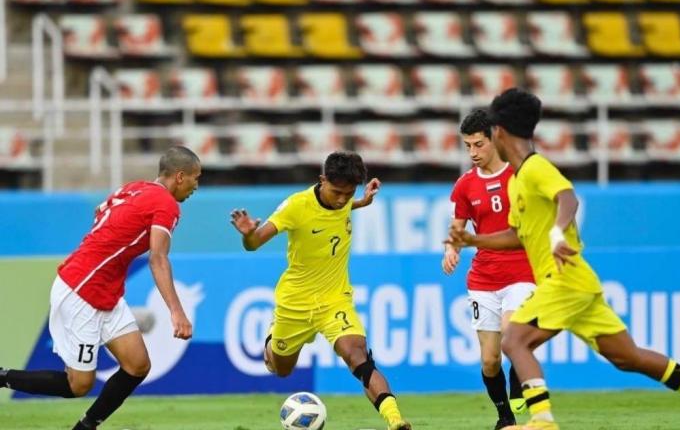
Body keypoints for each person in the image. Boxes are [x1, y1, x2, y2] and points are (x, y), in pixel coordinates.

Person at [446, 89, 680, 430]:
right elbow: (517, 236)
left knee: (514, 340)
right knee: (628, 357)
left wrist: (557, 232)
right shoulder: (519, 180)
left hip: (562, 278)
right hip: (577, 282)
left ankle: (542, 420)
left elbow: (568, 198)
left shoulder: (535, 168)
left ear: (499, 133)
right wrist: (473, 239)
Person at [1, 146, 202, 430]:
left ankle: (86, 427)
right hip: (82, 290)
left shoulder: (133, 189)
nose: (197, 186)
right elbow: (157, 258)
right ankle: (2, 376)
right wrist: (176, 311)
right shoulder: (167, 204)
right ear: (180, 176)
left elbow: (101, 214)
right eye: (196, 178)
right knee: (79, 384)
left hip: (105, 289)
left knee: (138, 365)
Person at [230, 151, 411, 430]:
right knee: (281, 370)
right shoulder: (296, 206)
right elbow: (255, 244)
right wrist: (249, 234)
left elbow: (339, 210)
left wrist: (362, 200)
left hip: (334, 300)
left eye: (348, 193)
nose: (342, 199)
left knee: (358, 355)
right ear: (322, 180)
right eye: (337, 192)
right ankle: (272, 335)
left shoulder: (345, 199)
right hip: (295, 303)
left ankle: (395, 420)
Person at [443, 108, 534, 429]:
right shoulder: (465, 184)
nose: (473, 152)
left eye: (478, 144)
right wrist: (450, 249)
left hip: (522, 272)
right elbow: (457, 227)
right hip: (483, 279)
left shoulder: (520, 175)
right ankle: (504, 416)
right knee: (489, 359)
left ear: (494, 138)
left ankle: (518, 378)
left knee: (513, 337)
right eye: (467, 146)